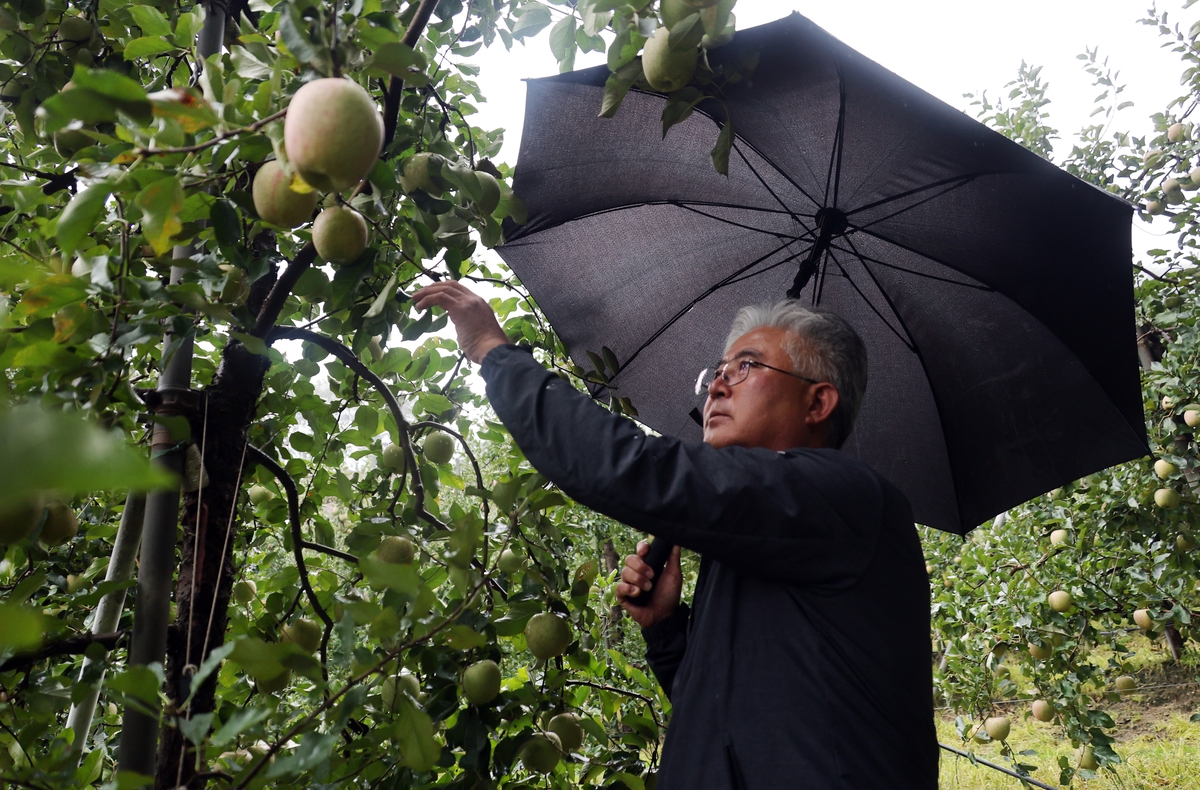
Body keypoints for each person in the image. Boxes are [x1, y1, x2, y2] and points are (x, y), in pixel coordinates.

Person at [412, 281, 938, 790]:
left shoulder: (847, 497)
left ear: (818, 404)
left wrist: (494, 352)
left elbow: (636, 469)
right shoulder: (762, 540)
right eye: (719, 369)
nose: (717, 384)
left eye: (747, 366)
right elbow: (720, 718)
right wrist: (666, 629)